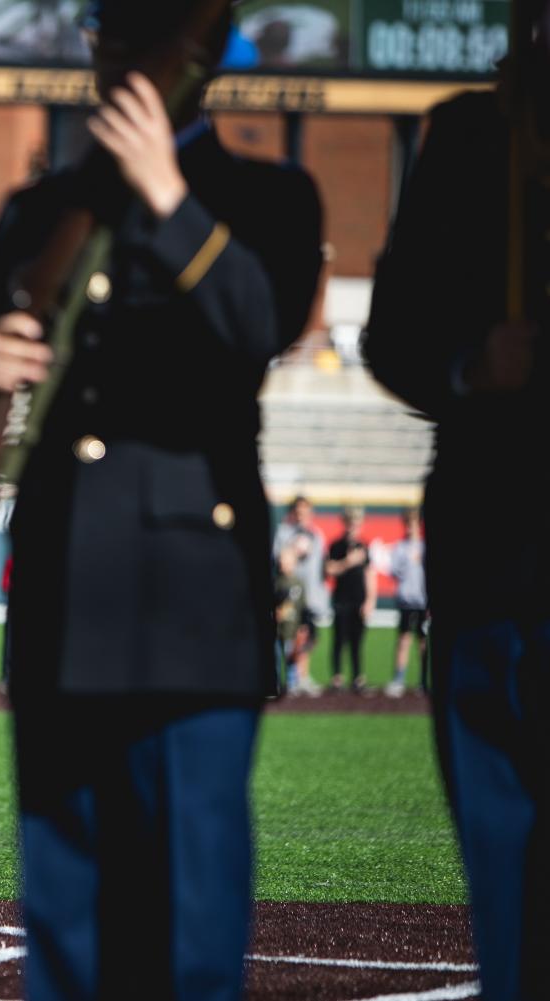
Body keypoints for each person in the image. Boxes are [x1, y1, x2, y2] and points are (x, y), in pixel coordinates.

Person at [0, 0, 323, 995]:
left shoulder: (265, 195)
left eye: (141, 38)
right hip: (63, 596)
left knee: (188, 926)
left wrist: (166, 195)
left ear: (196, 59)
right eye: (106, 38)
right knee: (66, 927)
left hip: (191, 603)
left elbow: (257, 327)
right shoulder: (36, 207)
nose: (117, 60)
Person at [364, 4, 550, 991]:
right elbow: (390, 335)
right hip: (496, 553)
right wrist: (471, 367)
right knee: (505, 866)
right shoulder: (475, 135)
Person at [272, 496, 327, 694]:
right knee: (287, 637)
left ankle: (303, 675)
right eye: (299, 511)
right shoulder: (285, 532)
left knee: (306, 636)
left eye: (306, 511)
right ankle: (289, 677)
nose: (302, 515)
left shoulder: (316, 535)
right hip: (290, 594)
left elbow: (321, 566)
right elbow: (279, 557)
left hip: (309, 594)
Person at [325, 506, 374, 693]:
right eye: (350, 522)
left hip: (359, 599)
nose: (353, 526)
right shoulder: (336, 546)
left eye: (356, 523)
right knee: (339, 640)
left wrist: (370, 600)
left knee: (357, 641)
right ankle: (337, 677)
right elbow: (329, 570)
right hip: (341, 599)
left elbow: (370, 575)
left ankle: (358, 678)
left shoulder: (364, 546)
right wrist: (348, 561)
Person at [387, 508, 427, 698]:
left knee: (423, 641)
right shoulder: (400, 547)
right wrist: (407, 563)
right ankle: (399, 678)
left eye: (413, 524)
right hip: (405, 600)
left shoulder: (425, 547)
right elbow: (393, 571)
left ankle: (423, 680)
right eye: (407, 524)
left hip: (422, 601)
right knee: (404, 639)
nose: (410, 528)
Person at [274, 540, 309, 695]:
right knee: (275, 657)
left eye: (286, 561)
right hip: (276, 628)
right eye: (281, 561)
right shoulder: (276, 581)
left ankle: (292, 683)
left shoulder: (297, 583)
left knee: (291, 657)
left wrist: (303, 625)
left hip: (291, 628)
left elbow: (300, 605)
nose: (283, 564)